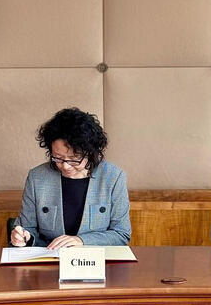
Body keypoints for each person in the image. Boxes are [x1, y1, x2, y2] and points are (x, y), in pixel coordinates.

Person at [10, 107, 131, 250]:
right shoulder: (37, 178)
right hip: (50, 258)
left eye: (74, 159)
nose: (65, 166)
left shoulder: (113, 177)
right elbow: (28, 228)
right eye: (58, 157)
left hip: (95, 260)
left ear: (91, 153)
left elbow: (121, 234)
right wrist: (23, 237)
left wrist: (81, 240)